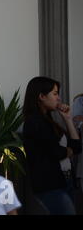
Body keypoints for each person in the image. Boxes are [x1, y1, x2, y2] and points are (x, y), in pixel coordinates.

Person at [23, 76, 82, 215]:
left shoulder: (49, 121)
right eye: (55, 94)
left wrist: (67, 119)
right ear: (42, 96)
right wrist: (67, 151)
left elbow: (77, 147)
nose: (59, 98)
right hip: (51, 185)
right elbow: (56, 153)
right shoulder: (34, 122)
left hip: (66, 180)